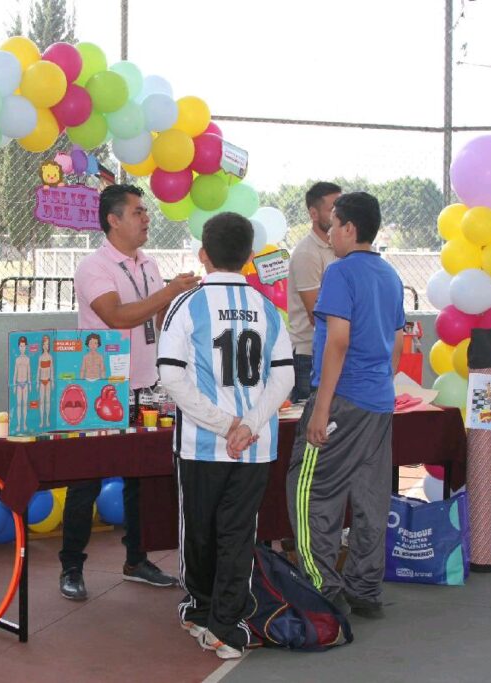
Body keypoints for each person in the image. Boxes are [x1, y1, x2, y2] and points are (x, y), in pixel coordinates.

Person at [158, 212, 294, 659]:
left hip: (203, 444)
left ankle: (203, 612)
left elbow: (172, 378)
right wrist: (249, 425)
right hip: (254, 447)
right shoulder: (267, 307)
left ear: (202, 255)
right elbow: (285, 378)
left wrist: (226, 426)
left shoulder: (186, 304)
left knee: (198, 530)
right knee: (238, 534)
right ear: (251, 256)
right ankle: (226, 628)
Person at [61, 183, 200, 601]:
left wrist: (174, 360)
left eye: (146, 212)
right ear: (113, 220)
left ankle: (136, 559)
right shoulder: (93, 267)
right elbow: (117, 316)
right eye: (138, 212)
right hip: (101, 386)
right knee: (85, 479)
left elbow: (156, 316)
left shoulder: (148, 264)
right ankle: (71, 566)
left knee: (142, 478)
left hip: (146, 384)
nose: (146, 219)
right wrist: (170, 291)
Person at [286, 192, 405, 619]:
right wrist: (378, 386)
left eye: (334, 225)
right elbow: (396, 346)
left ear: (350, 229)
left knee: (311, 490)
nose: (331, 232)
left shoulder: (340, 273)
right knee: (371, 495)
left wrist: (322, 407)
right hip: (378, 403)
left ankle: (322, 588)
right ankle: (365, 588)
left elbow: (337, 339)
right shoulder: (389, 275)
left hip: (342, 400)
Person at [286, 182, 342, 402]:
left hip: (334, 352)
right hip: (309, 356)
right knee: (309, 427)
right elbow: (316, 314)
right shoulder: (307, 253)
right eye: (333, 209)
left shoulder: (341, 248)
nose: (339, 215)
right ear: (313, 213)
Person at [13, 335, 32, 432]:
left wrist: (29, 384)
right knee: (19, 404)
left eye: (24, 346)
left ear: (26, 347)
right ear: (18, 347)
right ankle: (19, 424)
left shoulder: (28, 359)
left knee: (24, 404)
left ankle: (24, 423)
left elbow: (29, 373)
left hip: (25, 383)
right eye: (21, 346)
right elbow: (15, 373)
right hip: (19, 384)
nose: (22, 348)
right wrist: (14, 385)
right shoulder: (17, 360)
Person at [36, 334, 54, 429]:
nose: (46, 346)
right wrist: (37, 382)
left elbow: (52, 370)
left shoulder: (50, 357)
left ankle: (47, 419)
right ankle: (42, 420)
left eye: (48, 344)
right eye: (45, 344)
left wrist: (53, 381)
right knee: (42, 401)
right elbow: (38, 370)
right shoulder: (40, 357)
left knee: (47, 401)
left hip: (48, 380)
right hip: (41, 380)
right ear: (42, 346)